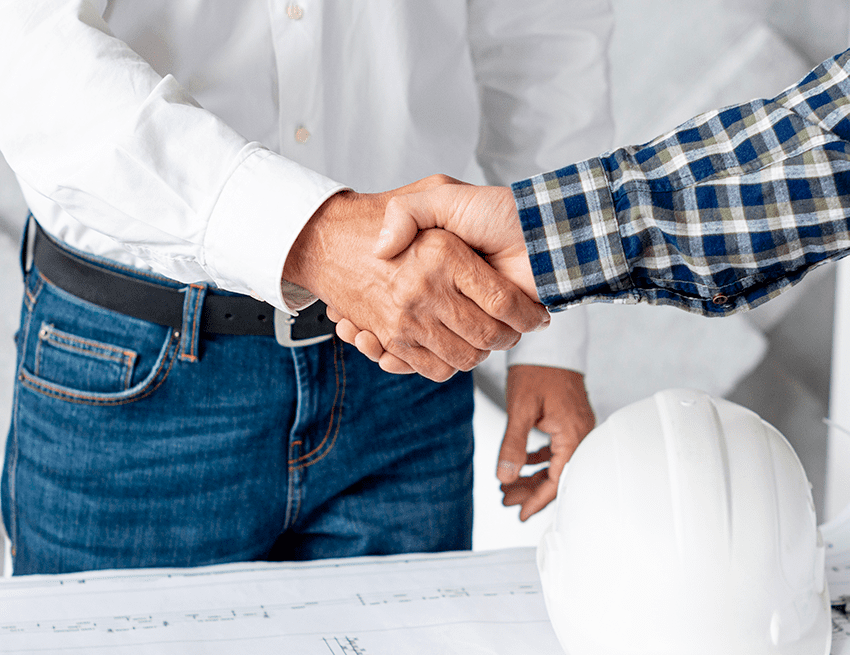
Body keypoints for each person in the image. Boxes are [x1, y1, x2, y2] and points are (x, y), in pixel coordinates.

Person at [0, 1, 612, 574]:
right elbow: (33, 57)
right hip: (134, 369)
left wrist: (552, 335)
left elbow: (542, 31)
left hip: (411, 366)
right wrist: (312, 236)